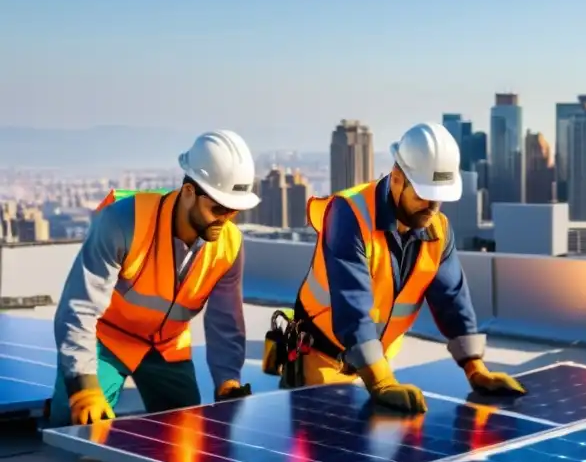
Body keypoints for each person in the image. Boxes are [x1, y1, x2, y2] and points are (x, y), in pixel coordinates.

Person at [288, 122, 526, 413]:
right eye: (423, 194)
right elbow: (353, 306)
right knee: (329, 447)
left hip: (375, 361)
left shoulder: (437, 230)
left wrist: (475, 369)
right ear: (398, 178)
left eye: (439, 197)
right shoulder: (349, 214)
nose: (432, 207)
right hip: (321, 360)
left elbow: (452, 300)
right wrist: (381, 383)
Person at [48, 130, 262, 426]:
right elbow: (79, 306)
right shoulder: (123, 221)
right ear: (189, 192)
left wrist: (227, 381)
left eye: (234, 211)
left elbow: (225, 323)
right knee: (72, 425)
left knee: (188, 436)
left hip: (166, 346)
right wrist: (82, 381)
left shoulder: (230, 246)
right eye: (218, 208)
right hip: (108, 340)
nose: (225, 218)